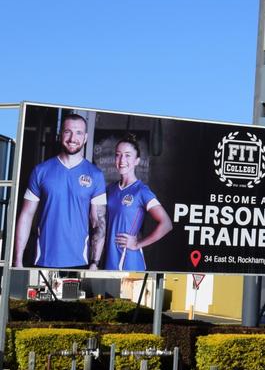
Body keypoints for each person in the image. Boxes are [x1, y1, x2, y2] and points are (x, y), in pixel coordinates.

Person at [13, 113, 107, 269]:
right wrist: (17, 260)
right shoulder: (41, 171)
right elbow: (27, 215)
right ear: (60, 134)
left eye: (78, 133)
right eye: (68, 131)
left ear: (85, 137)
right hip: (42, 259)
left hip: (80, 262)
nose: (72, 138)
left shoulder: (95, 175)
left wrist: (95, 263)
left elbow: (99, 222)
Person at [103, 135, 172, 271]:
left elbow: (167, 224)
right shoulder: (110, 189)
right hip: (109, 258)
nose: (122, 160)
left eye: (128, 155)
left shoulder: (141, 191)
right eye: (118, 155)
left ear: (137, 161)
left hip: (128, 260)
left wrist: (138, 243)